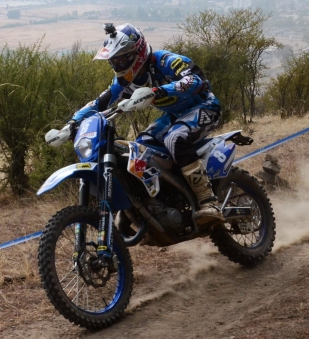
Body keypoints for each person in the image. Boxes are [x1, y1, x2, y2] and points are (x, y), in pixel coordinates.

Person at [71, 23, 224, 225]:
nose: (118, 65)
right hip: (175, 114)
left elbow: (196, 80)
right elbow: (100, 102)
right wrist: (73, 121)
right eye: (114, 61)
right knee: (140, 146)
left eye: (122, 59)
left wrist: (157, 91)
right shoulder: (127, 80)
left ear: (138, 52)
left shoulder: (167, 60)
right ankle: (156, 201)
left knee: (175, 138)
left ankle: (207, 200)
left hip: (205, 106)